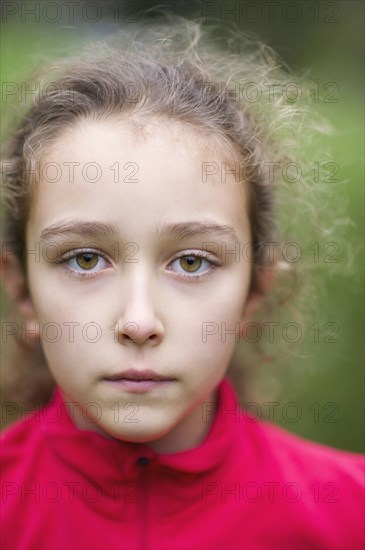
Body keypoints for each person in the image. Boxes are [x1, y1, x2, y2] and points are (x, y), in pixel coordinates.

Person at [1, 14, 364, 550]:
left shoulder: (348, 514)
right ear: (23, 290)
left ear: (254, 292)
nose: (139, 322)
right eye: (83, 259)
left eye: (192, 262)